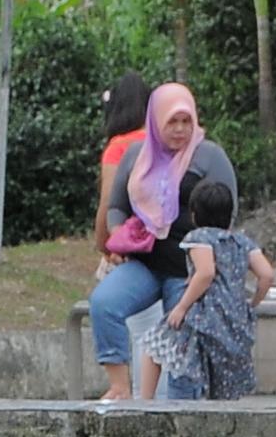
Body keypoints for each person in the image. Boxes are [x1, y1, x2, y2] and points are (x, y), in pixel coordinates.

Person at [90, 84, 236, 405]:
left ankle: (183, 409)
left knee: (180, 341)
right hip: (145, 262)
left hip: (187, 271)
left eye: (186, 121)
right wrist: (120, 237)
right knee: (103, 303)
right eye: (173, 122)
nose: (181, 130)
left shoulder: (209, 156)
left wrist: (214, 260)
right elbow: (116, 205)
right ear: (156, 121)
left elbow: (228, 210)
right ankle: (119, 387)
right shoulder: (136, 155)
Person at [141, 176, 275, 402]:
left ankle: (144, 403)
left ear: (194, 213)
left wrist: (182, 307)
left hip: (204, 314)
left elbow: (205, 273)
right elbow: (267, 275)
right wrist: (252, 304)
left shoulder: (199, 237)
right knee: (221, 377)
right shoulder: (242, 241)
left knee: (154, 344)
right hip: (234, 319)